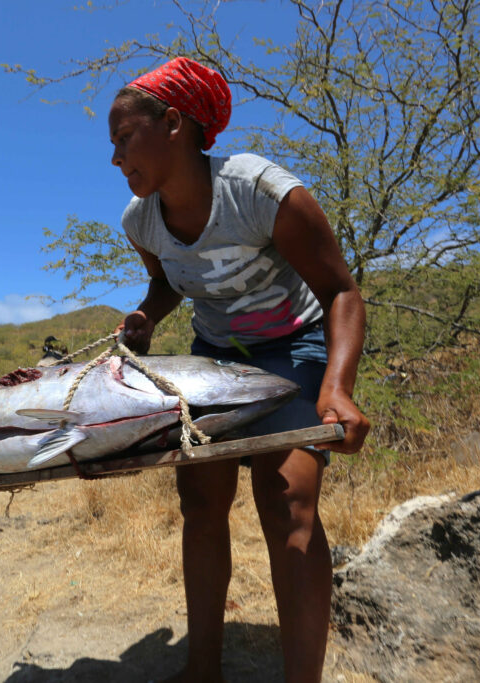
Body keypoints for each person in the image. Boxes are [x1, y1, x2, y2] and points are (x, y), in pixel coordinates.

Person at [109, 58, 370, 682]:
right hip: (215, 359)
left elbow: (340, 292)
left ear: (174, 123)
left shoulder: (257, 190)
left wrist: (336, 387)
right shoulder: (139, 219)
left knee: (287, 501)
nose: (115, 159)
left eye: (123, 138)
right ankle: (202, 669)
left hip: (295, 349)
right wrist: (147, 313)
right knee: (201, 501)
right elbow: (167, 282)